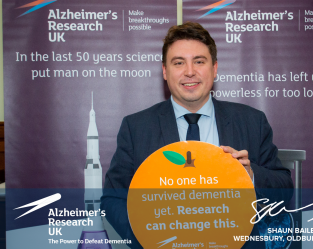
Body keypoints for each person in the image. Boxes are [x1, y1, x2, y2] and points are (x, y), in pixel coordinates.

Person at [101, 22, 293, 248]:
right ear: (165, 71)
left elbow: (284, 191)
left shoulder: (252, 121)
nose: (189, 71)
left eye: (199, 61)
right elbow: (113, 200)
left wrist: (250, 176)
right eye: (178, 62)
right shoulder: (136, 127)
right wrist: (148, 234)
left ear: (214, 68)